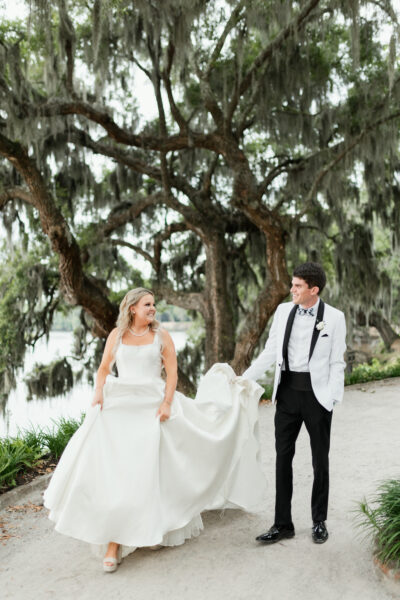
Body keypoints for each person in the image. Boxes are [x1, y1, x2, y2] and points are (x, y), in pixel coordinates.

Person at [44, 288, 266, 572]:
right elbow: (103, 369)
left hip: (152, 407)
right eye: (147, 304)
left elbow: (171, 373)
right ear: (133, 308)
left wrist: (166, 403)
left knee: (148, 472)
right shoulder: (116, 336)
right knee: (116, 474)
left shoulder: (162, 336)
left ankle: (150, 527)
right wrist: (98, 392)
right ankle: (113, 542)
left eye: (153, 304)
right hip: (120, 409)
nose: (153, 309)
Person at [243, 262, 346, 544]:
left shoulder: (335, 318)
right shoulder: (283, 311)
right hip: (286, 393)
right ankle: (282, 524)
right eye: (292, 284)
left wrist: (332, 398)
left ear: (314, 289)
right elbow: (269, 352)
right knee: (282, 459)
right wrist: (244, 378)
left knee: (319, 461)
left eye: (298, 286)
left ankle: (319, 521)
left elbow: (338, 362)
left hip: (317, 397)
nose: (292, 290)